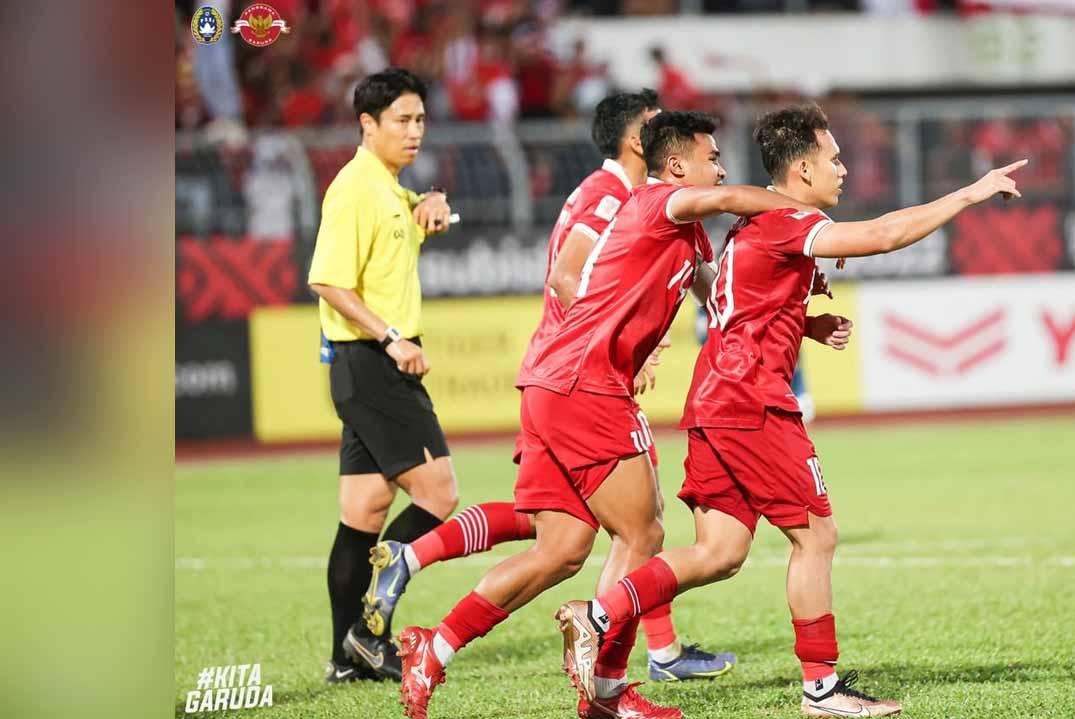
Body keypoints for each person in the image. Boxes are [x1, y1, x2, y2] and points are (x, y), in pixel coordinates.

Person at [557, 104, 1028, 718]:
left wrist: (803, 321)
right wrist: (970, 193)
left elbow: (736, 309)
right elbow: (882, 236)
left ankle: (596, 615)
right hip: (751, 403)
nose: (843, 168)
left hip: (713, 401)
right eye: (833, 158)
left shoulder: (750, 231)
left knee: (720, 553)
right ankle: (822, 689)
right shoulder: (785, 219)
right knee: (817, 535)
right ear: (802, 168)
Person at [395, 110, 812, 719]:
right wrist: (797, 212)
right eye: (711, 155)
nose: (721, 165)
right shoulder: (654, 202)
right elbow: (723, 197)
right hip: (585, 384)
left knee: (561, 548)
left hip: (552, 381)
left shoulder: (686, 233)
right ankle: (609, 690)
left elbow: (726, 297)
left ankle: (434, 647)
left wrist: (802, 314)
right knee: (642, 532)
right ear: (677, 166)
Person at [305, 67, 458, 684]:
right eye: (402, 119)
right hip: (374, 362)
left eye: (420, 119)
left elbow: (395, 241)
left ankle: (346, 659)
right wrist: (392, 337)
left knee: (364, 511)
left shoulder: (389, 187)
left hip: (364, 363)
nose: (415, 130)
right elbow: (326, 279)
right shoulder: (356, 189)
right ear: (367, 126)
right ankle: (371, 635)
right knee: (439, 496)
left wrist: (431, 205)